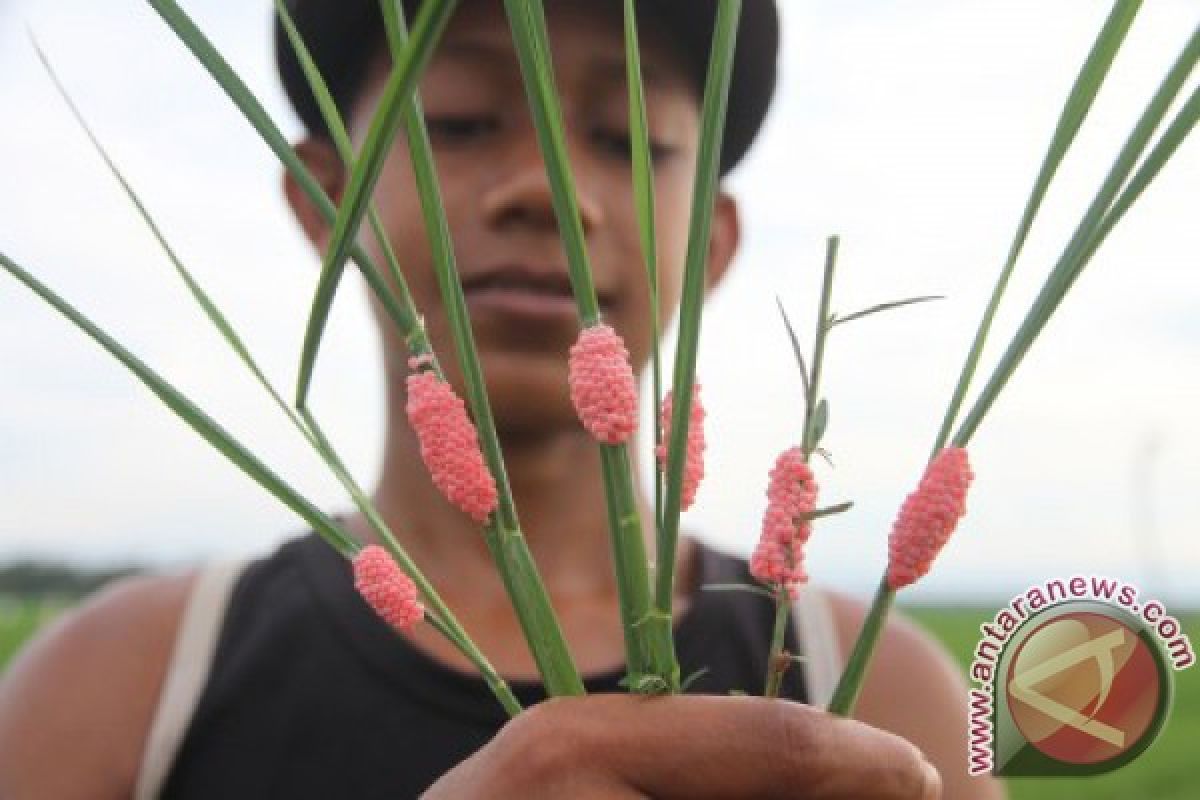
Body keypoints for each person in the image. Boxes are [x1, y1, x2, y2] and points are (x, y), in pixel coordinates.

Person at [0, 1, 1004, 797]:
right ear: (322, 200)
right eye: (461, 120)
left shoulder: (877, 694)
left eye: (630, 139)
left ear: (712, 244)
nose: (550, 189)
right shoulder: (121, 684)